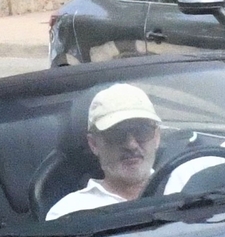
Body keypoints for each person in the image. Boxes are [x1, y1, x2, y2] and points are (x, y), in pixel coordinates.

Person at [46, 83, 162, 218]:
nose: (131, 145)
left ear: (157, 137)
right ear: (94, 144)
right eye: (116, 135)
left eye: (142, 131)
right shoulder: (69, 213)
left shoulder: (185, 184)